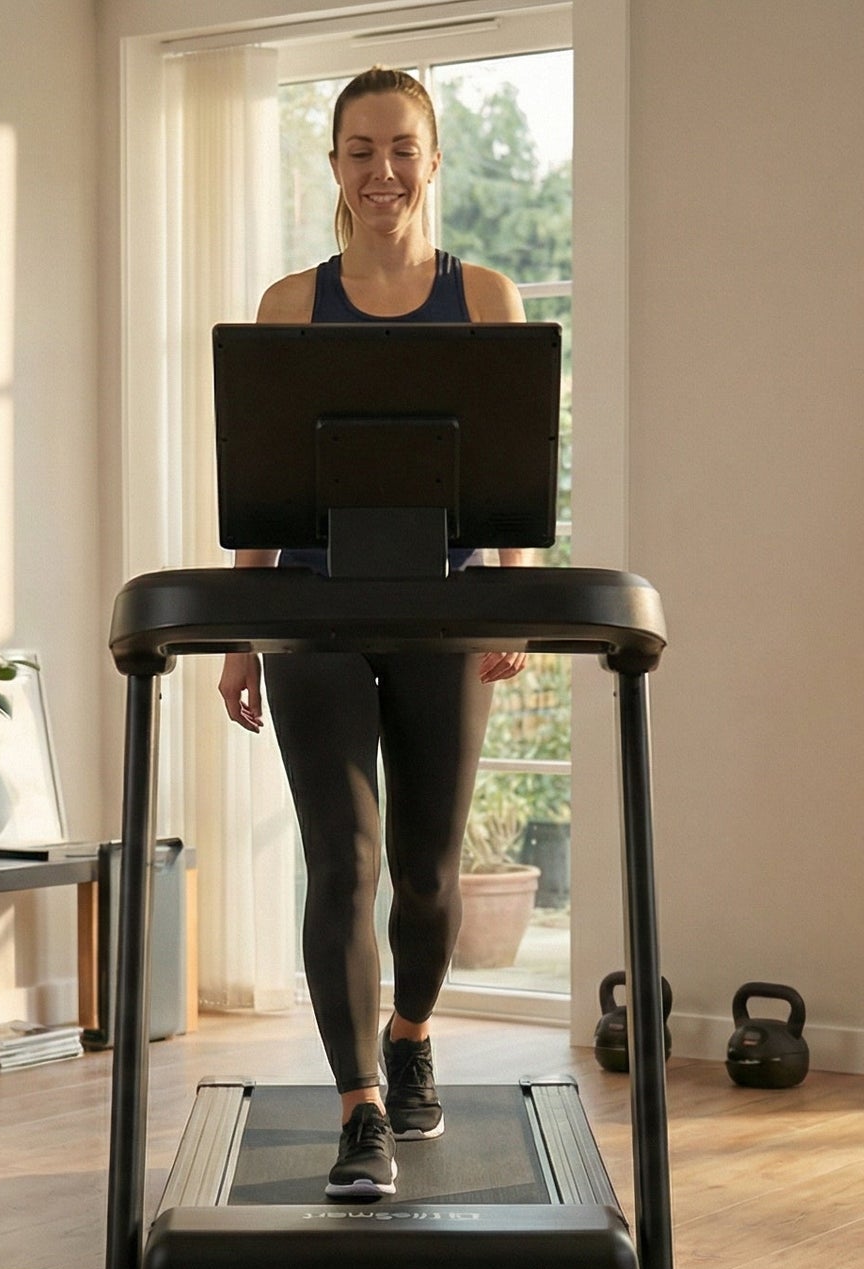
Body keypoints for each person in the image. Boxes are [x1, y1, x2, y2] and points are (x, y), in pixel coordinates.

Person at [218, 66, 529, 1200]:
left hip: (443, 609)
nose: (381, 170)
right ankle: (357, 1109)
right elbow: (257, 487)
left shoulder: (483, 296)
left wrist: (512, 595)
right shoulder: (288, 307)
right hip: (314, 613)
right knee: (341, 863)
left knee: (428, 873)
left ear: (431, 160)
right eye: (358, 149)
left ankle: (409, 1031)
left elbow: (510, 471)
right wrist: (243, 629)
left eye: (401, 147)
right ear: (334, 166)